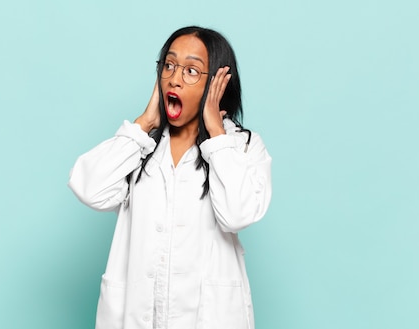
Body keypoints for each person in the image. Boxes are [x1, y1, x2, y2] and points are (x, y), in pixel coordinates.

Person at [69, 26, 272, 329]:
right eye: (169, 65)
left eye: (191, 70)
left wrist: (216, 134)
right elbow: (88, 188)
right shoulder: (141, 145)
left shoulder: (241, 147)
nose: (175, 78)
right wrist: (144, 123)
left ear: (217, 82)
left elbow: (237, 214)